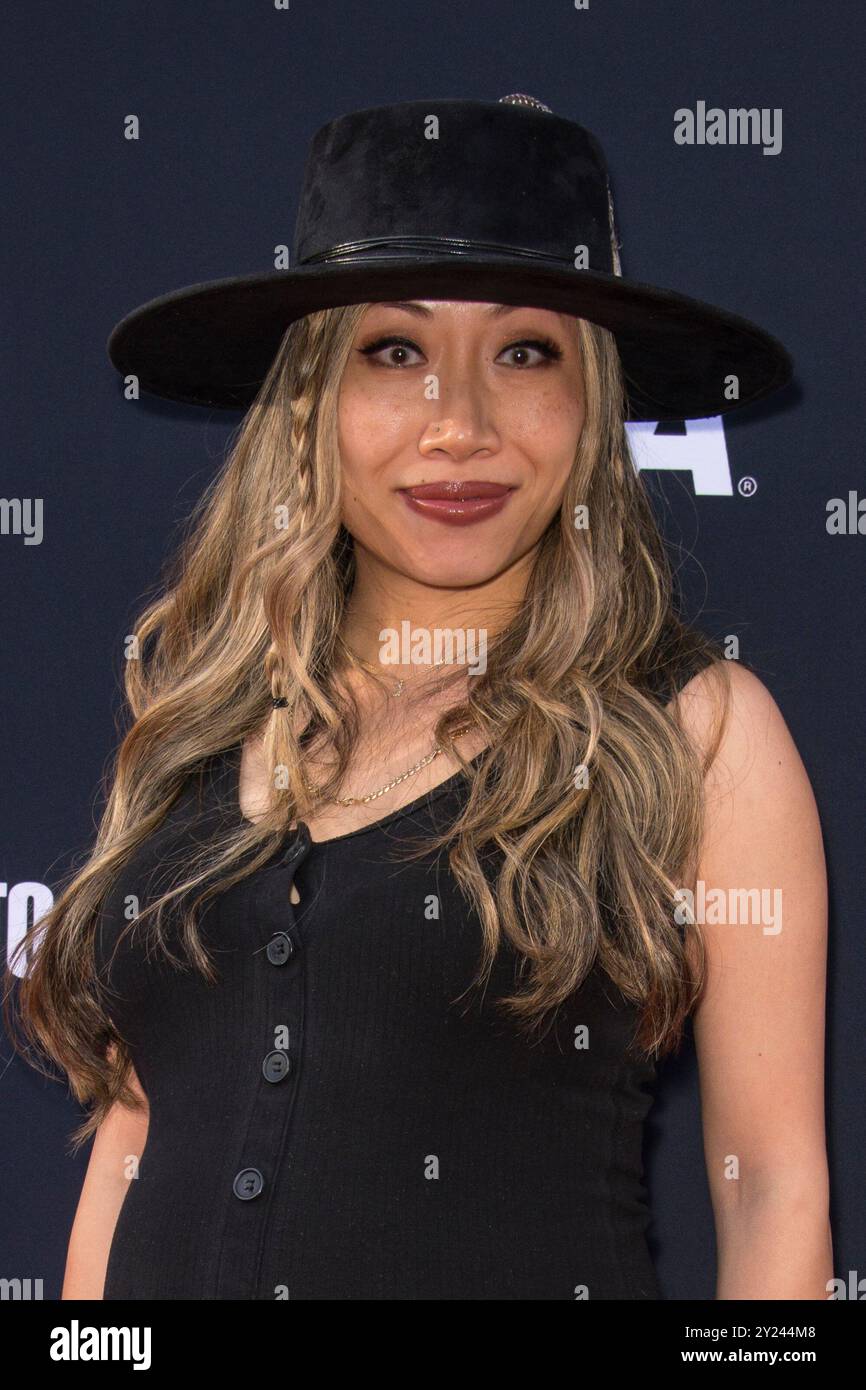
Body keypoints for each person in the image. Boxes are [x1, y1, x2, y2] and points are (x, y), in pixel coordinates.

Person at [5, 95, 830, 1300]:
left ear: (588, 405)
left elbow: (770, 1190)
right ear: (309, 402)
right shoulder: (196, 726)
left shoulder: (694, 729)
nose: (460, 426)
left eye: (522, 352)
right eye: (395, 351)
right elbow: (131, 1150)